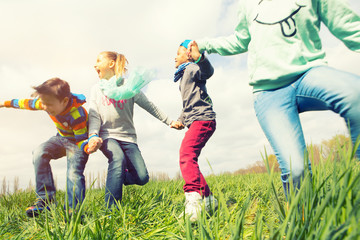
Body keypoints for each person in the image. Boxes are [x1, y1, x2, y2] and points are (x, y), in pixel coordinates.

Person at [192, 0, 360, 197]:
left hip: (310, 74)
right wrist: (204, 45)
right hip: (269, 92)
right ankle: (301, 223)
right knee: (295, 169)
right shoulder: (247, 4)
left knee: (355, 92)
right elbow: (240, 39)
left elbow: (349, 25)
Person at [88, 51, 181, 209]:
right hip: (107, 136)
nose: (94, 65)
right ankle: (111, 209)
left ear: (111, 64)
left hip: (128, 138)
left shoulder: (130, 87)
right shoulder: (97, 89)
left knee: (142, 177)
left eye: (98, 61)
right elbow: (94, 115)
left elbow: (149, 105)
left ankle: (119, 176)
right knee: (117, 159)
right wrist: (93, 135)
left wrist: (169, 121)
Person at [0, 78, 89, 216]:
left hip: (77, 142)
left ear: (64, 101)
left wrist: (87, 147)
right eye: (42, 103)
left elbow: (81, 140)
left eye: (49, 104)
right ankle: (45, 200)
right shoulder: (44, 103)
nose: (45, 107)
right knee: (39, 152)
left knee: (73, 171)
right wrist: (4, 104)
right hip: (60, 138)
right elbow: (23, 103)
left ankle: (74, 210)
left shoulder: (77, 114)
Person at [172, 40, 218, 222]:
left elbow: (208, 72)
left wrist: (199, 58)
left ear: (188, 55)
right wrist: (180, 120)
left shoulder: (192, 68)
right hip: (197, 119)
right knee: (189, 156)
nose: (174, 57)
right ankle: (209, 199)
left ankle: (194, 197)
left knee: (186, 154)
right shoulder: (184, 76)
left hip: (203, 119)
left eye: (178, 52)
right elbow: (188, 104)